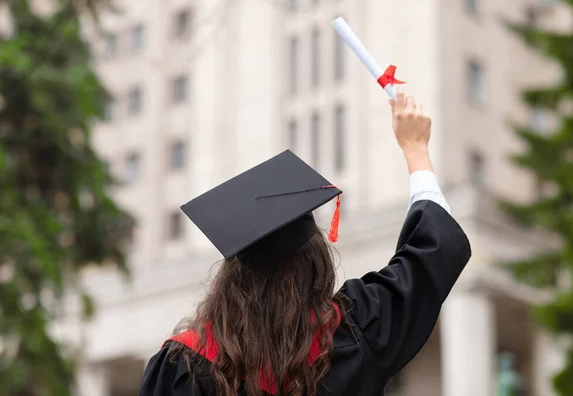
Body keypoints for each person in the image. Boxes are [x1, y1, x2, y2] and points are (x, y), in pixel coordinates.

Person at [138, 88, 471, 396]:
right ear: (317, 265)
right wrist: (416, 150)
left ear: (233, 276)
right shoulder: (356, 334)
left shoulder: (183, 366)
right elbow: (434, 249)